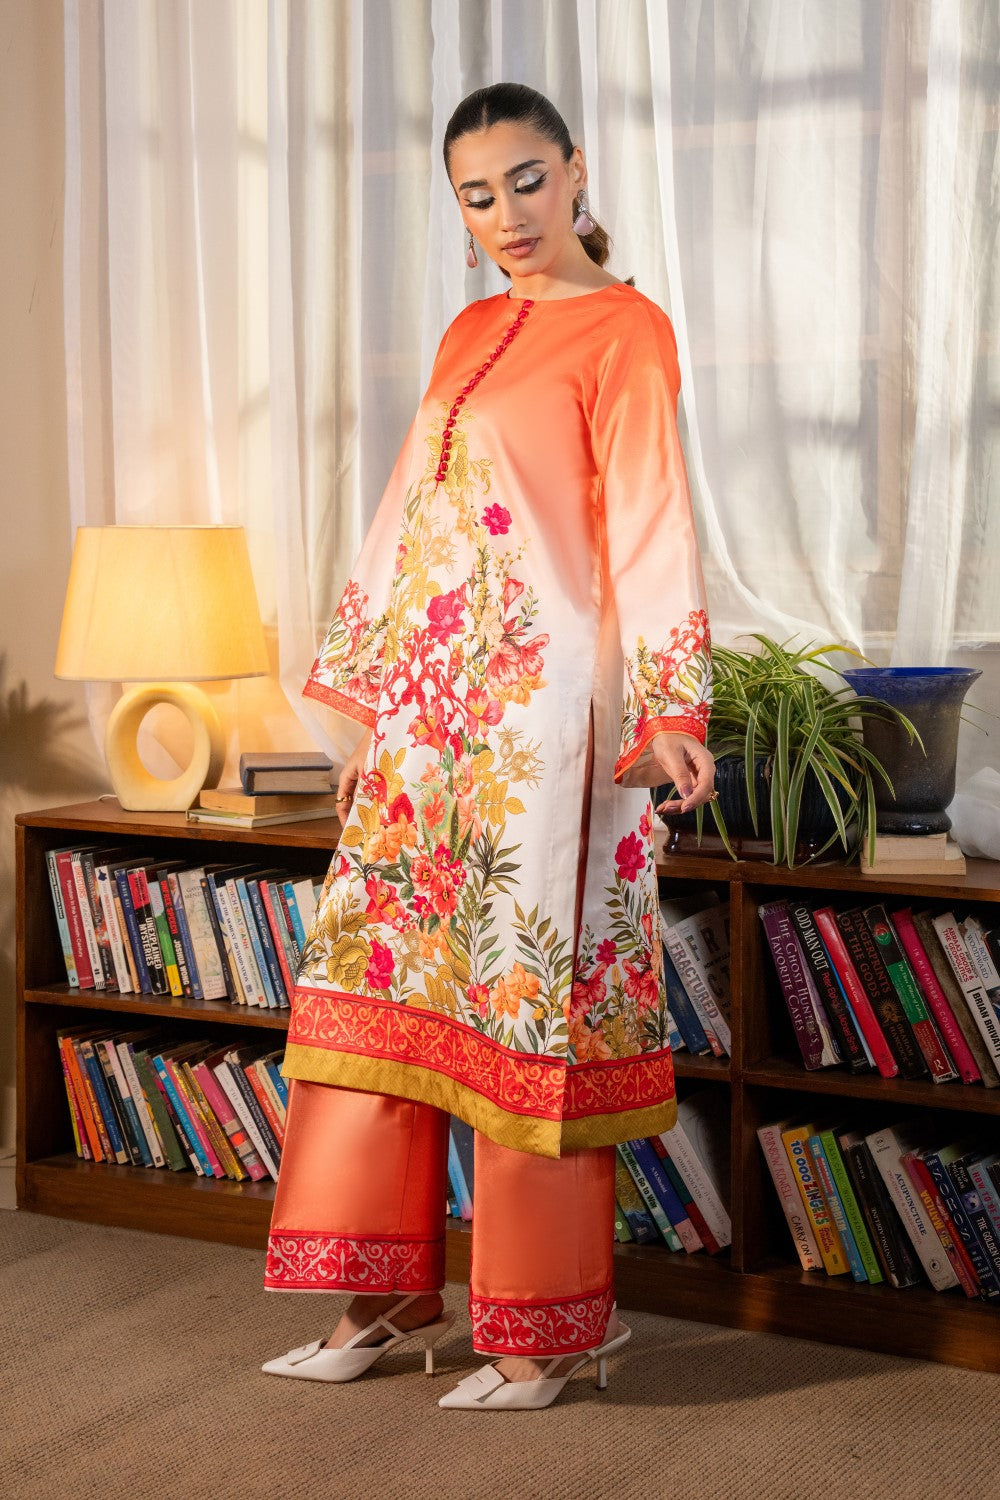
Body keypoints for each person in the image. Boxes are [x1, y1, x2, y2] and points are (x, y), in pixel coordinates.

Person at [262, 82, 716, 1412]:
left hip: (548, 732)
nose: (508, 214)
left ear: (575, 171)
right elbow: (409, 519)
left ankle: (549, 1330)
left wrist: (672, 710)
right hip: (428, 722)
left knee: (530, 1020)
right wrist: (372, 709)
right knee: (377, 996)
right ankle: (386, 1300)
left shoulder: (628, 331)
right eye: (477, 194)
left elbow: (651, 521)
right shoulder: (467, 331)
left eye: (527, 180)